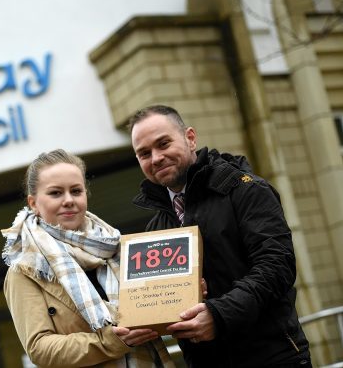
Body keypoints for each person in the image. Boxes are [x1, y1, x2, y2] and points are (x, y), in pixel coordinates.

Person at [127, 104, 312, 367]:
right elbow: (160, 304)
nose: (156, 158)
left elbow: (277, 266)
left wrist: (218, 314)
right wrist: (137, 323)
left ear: (190, 138)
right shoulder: (155, 227)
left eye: (164, 144)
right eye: (144, 153)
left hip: (272, 357)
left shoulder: (246, 190)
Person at [2, 149, 175, 367]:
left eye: (76, 191)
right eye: (55, 193)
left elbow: (154, 306)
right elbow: (40, 349)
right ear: (34, 203)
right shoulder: (25, 269)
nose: (68, 200)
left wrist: (183, 294)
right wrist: (110, 341)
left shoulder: (119, 247)